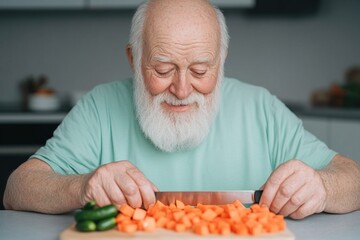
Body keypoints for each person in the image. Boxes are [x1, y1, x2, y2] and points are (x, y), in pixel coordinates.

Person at [3, 0, 360, 219]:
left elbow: (353, 179)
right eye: (162, 69)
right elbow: (16, 189)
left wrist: (322, 187)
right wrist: (80, 187)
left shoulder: (260, 108)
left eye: (201, 70)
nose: (182, 89)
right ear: (134, 60)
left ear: (221, 63)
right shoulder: (100, 106)